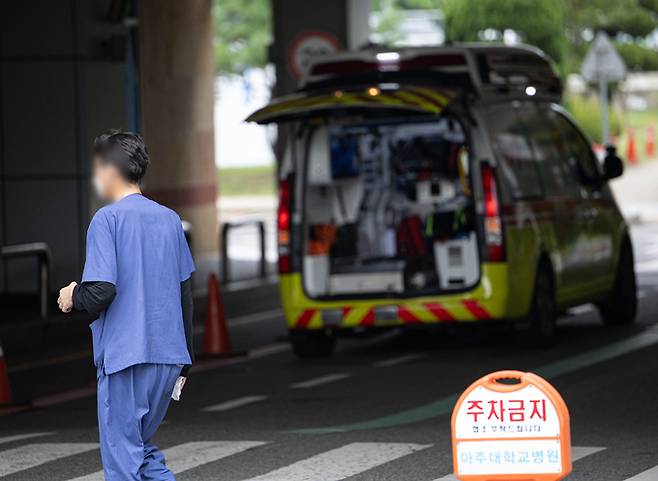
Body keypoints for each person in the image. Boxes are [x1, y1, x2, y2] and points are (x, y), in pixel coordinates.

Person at [57, 130, 195, 481]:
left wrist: (74, 294)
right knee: (141, 451)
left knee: (122, 461)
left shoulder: (107, 219)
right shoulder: (169, 219)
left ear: (109, 170)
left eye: (97, 168)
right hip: (169, 357)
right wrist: (185, 363)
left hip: (126, 357)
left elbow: (102, 291)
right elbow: (185, 295)